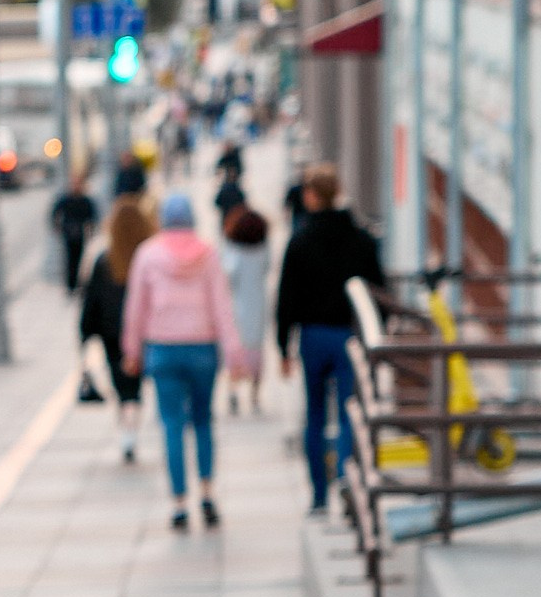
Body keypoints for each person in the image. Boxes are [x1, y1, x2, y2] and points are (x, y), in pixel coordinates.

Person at [124, 192, 254, 531]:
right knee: (203, 421)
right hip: (202, 350)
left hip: (163, 349)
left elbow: (136, 307)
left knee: (170, 424)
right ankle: (208, 494)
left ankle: (179, 503)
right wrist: (235, 354)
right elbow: (222, 307)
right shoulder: (208, 255)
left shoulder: (148, 255)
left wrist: (131, 350)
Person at [275, 160, 389, 512]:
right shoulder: (360, 238)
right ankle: (345, 483)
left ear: (310, 196)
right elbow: (378, 289)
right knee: (348, 413)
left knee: (315, 416)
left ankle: (319, 494)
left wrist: (283, 345)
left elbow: (286, 298)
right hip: (349, 335)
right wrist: (377, 331)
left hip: (313, 336)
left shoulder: (300, 240)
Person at [81, 195, 158, 463]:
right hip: (143, 332)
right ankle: (132, 422)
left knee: (121, 384)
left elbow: (92, 301)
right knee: (135, 385)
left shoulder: (105, 260)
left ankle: (127, 430)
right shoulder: (148, 256)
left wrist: (85, 333)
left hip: (111, 333)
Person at [220, 205, 272, 415]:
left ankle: (233, 389)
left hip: (237, 304)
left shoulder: (233, 250)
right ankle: (255, 395)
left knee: (236, 349)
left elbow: (227, 276)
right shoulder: (263, 250)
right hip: (258, 304)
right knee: (257, 349)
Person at [50, 170, 99, 294]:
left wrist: (91, 229)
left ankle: (79, 284)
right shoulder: (66, 199)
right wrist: (57, 226)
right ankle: (71, 285)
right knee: (70, 260)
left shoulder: (84, 199)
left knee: (81, 259)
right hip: (69, 232)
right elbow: (55, 212)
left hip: (80, 232)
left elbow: (92, 215)